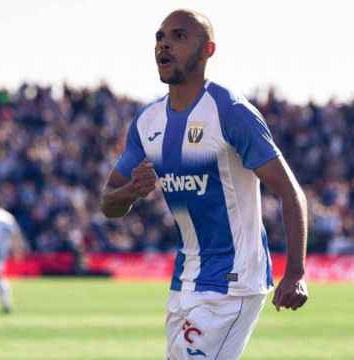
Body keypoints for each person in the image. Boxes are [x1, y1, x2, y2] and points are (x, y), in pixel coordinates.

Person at [100, 9, 309, 359]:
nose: (164, 44)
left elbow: (290, 192)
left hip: (233, 279)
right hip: (185, 279)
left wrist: (297, 272)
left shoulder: (230, 112)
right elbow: (108, 203)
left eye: (179, 36)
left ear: (207, 50)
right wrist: (130, 192)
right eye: (160, 37)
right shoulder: (146, 121)